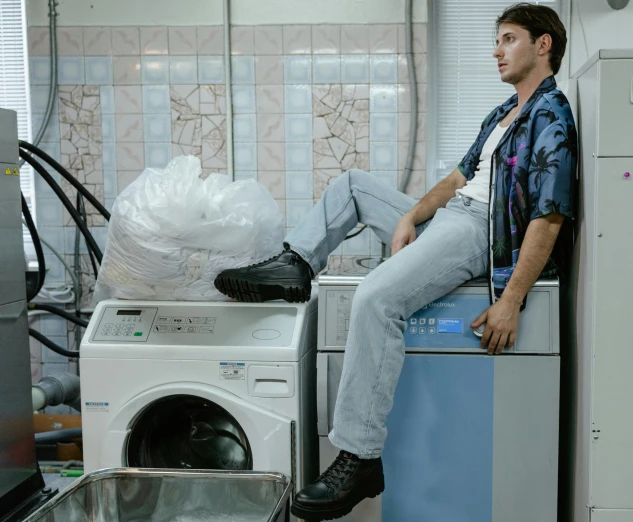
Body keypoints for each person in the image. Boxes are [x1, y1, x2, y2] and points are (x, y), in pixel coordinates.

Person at [215, 2, 577, 520]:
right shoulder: (503, 113)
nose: (496, 50)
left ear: (544, 45)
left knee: (376, 297)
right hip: (455, 214)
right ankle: (295, 264)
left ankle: (361, 457)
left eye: (509, 39)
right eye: (496, 40)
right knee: (353, 186)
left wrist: (511, 300)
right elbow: (457, 179)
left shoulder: (552, 114)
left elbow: (550, 215)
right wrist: (411, 217)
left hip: (481, 231)